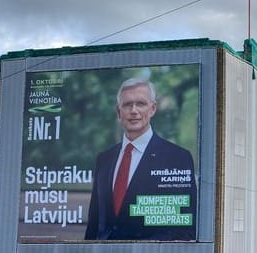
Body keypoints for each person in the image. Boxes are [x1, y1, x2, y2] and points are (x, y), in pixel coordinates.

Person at [84, 77, 197, 240]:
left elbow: (184, 230)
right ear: (118, 112)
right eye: (127, 104)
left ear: (153, 109)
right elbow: (94, 226)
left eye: (141, 104)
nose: (134, 110)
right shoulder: (104, 159)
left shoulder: (177, 158)